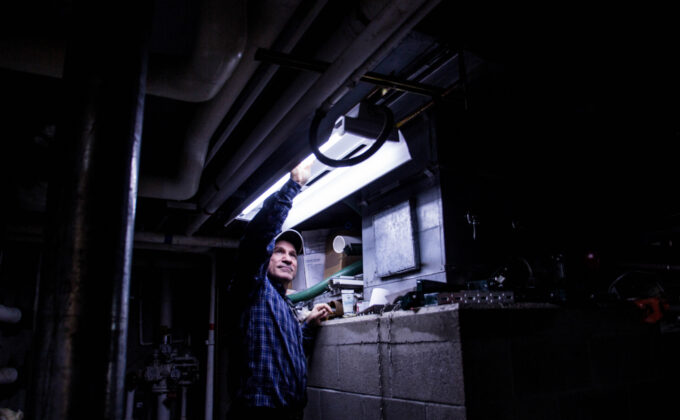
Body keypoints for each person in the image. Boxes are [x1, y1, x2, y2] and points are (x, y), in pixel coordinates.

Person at [225, 160, 332, 420]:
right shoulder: (255, 290)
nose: (288, 258)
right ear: (267, 258)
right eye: (279, 252)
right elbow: (256, 240)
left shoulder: (285, 305)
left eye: (293, 255)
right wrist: (292, 187)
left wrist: (309, 325)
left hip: (292, 412)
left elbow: (290, 351)